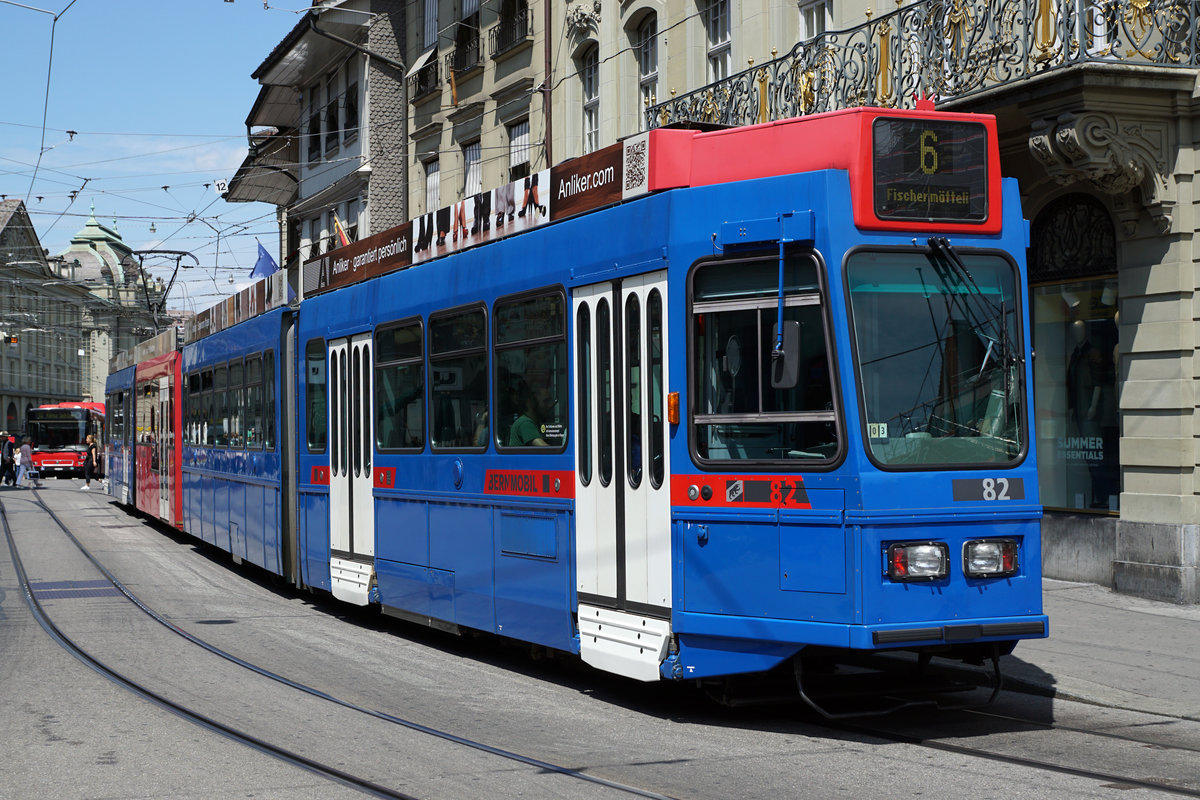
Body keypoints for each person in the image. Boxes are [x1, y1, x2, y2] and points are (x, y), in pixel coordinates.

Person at [508, 383, 550, 447]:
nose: (549, 405)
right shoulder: (525, 423)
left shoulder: (534, 422)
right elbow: (547, 450)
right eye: (545, 401)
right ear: (531, 402)